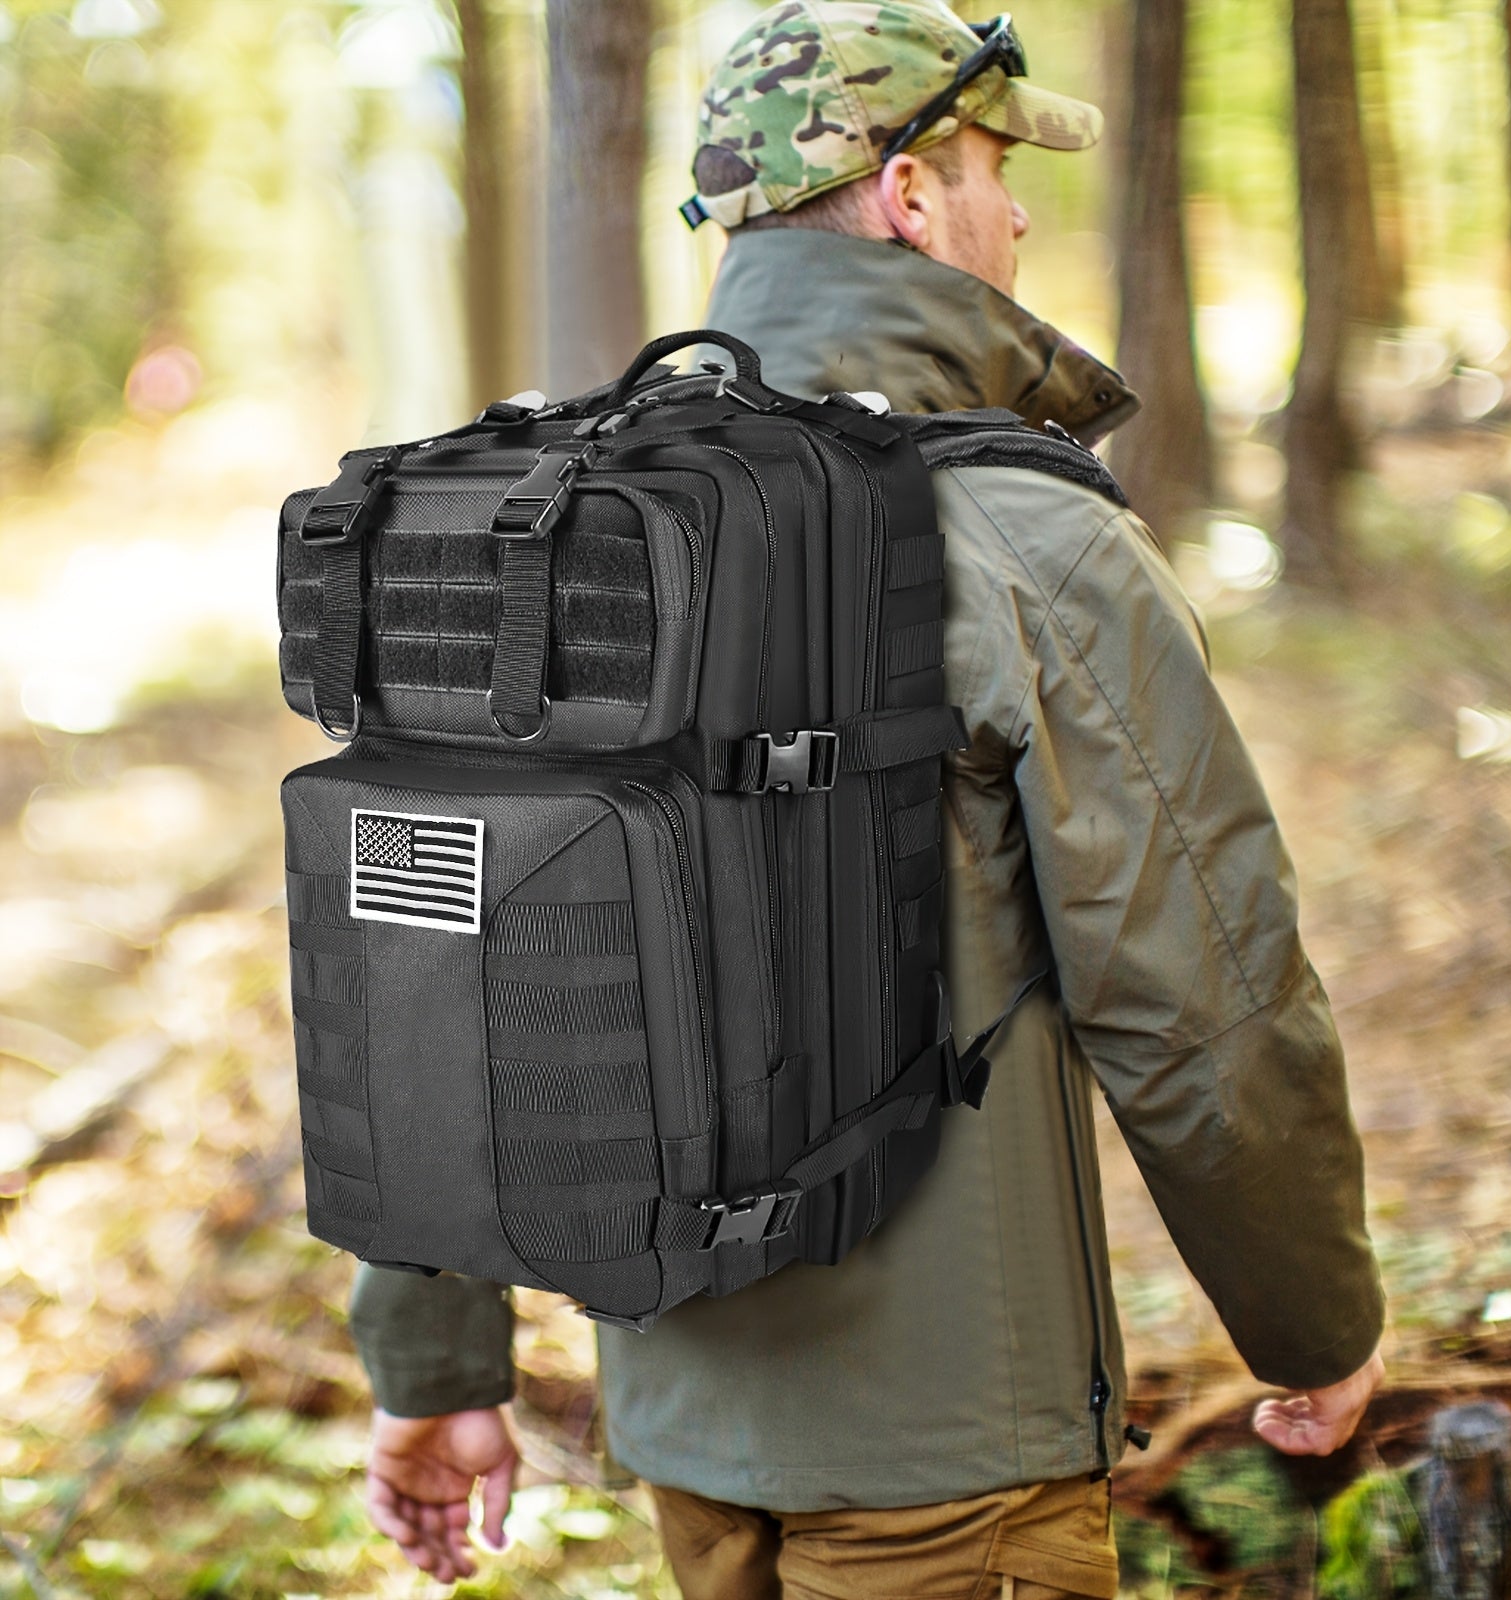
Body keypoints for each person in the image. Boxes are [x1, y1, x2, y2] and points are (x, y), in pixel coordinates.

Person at [349, 4, 1388, 1595]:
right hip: (954, 1465)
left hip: (683, 1432)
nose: (1017, 214)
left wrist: (433, 1364)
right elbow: (1199, 992)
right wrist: (1316, 1320)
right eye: (994, 171)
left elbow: (430, 968)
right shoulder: (1022, 535)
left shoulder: (550, 532)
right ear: (911, 195)